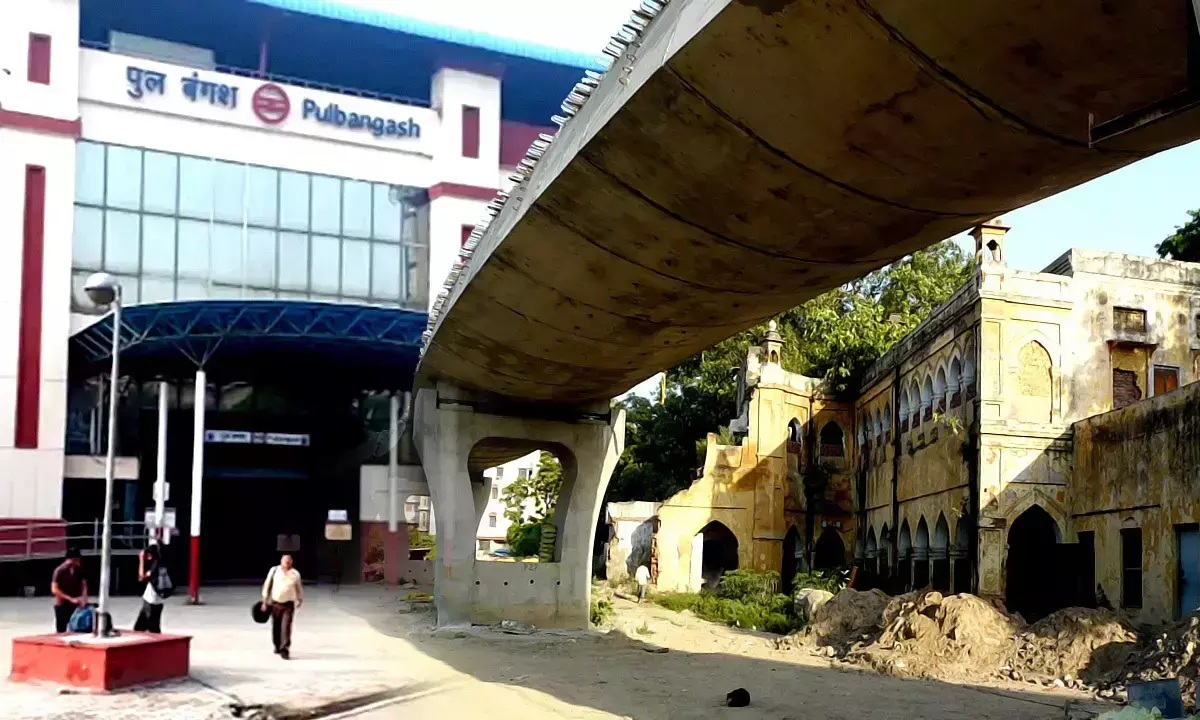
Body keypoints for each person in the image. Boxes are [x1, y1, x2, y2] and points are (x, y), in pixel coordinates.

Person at [261, 554, 303, 659]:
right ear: (281, 561)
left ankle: (285, 649)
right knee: (276, 626)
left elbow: (299, 587)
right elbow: (267, 585)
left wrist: (300, 599)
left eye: (289, 561)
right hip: (275, 603)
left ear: (291, 562)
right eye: (285, 560)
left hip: (288, 604)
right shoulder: (274, 571)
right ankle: (277, 645)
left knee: (286, 627)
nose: (287, 562)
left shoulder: (295, 574)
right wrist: (264, 601)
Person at [51, 548, 88, 633]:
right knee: (61, 629)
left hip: (76, 601)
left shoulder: (78, 569)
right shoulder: (59, 570)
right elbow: (54, 589)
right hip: (62, 603)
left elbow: (84, 585)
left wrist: (84, 598)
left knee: (77, 626)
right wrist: (70, 599)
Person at [133, 544, 165, 633]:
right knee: (141, 627)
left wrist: (141, 560)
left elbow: (141, 577)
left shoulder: (155, 566)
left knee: (152, 628)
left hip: (151, 600)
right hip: (158, 600)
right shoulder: (162, 564)